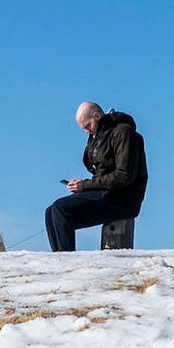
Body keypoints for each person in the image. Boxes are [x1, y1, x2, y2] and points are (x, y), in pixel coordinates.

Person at [45, 102, 147, 252]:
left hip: (124, 198)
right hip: (107, 193)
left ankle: (65, 261)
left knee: (60, 208)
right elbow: (103, 174)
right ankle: (59, 258)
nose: (86, 131)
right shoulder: (98, 137)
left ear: (97, 116)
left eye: (87, 126)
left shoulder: (123, 132)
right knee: (50, 213)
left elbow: (123, 176)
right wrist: (82, 186)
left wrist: (85, 185)